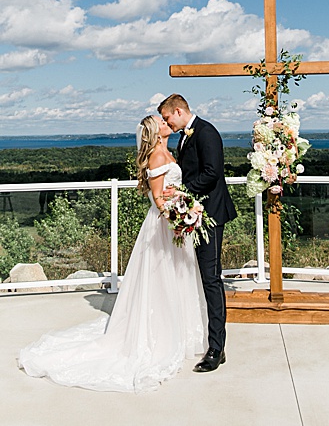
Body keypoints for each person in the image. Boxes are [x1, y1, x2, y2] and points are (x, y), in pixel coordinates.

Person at [19, 116, 207, 392]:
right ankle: (160, 335)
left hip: (174, 221)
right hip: (163, 225)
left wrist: (182, 199)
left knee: (178, 275)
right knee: (161, 278)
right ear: (156, 133)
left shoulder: (168, 150)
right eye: (161, 121)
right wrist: (177, 211)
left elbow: (170, 187)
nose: (166, 122)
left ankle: (179, 331)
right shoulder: (156, 156)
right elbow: (156, 198)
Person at [158, 94, 235, 373]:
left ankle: (217, 348)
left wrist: (183, 191)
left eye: (167, 118)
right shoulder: (187, 135)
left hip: (211, 216)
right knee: (198, 277)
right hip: (195, 214)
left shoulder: (206, 132)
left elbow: (212, 174)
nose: (167, 123)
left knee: (211, 279)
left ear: (178, 111)